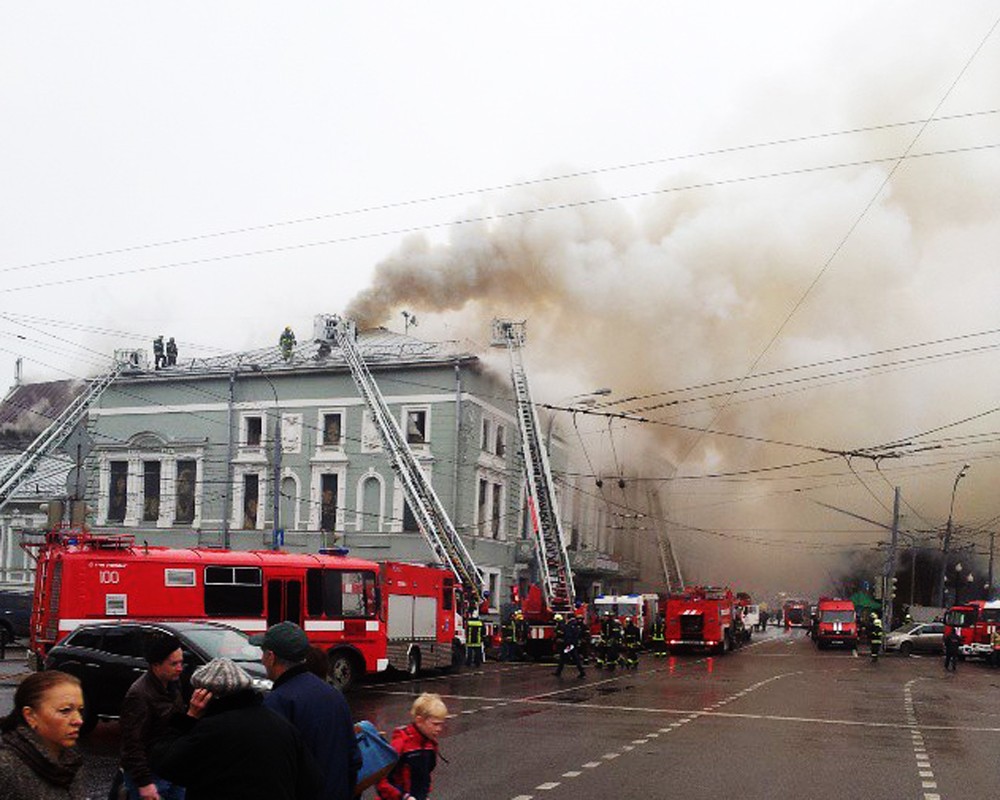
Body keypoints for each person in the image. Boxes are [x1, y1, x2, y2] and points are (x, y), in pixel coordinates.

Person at [151, 658, 320, 800]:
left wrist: (189, 718)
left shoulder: (208, 732)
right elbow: (312, 783)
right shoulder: (281, 725)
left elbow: (164, 762)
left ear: (204, 695)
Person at [252, 622, 361, 800]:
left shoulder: (278, 702)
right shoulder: (334, 695)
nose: (262, 661)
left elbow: (273, 771)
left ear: (271, 657)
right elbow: (353, 758)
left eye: (263, 654)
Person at [120, 633, 187, 800]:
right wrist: (144, 783)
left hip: (172, 770)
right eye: (174, 664)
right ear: (156, 665)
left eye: (181, 662)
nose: (180, 668)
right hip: (151, 775)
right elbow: (132, 744)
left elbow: (174, 726)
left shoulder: (173, 684)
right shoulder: (139, 695)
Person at [0, 670, 85, 799]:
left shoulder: (70, 762)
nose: (78, 720)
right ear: (30, 715)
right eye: (65, 710)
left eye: (80, 710)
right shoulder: (7, 767)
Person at [376, 693, 448, 800]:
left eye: (441, 724)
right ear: (419, 721)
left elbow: (424, 775)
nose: (439, 729)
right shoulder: (401, 744)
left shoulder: (430, 745)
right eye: (435, 724)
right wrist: (403, 797)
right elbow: (381, 780)